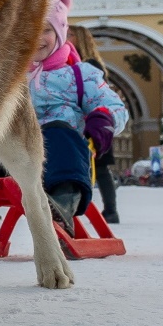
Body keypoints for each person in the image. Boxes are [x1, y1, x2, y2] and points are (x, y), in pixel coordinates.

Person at [26, 0, 128, 236]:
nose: (37, 38)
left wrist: (104, 118)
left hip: (57, 156)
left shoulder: (81, 75)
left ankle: (62, 202)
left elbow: (116, 106)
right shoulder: (7, 75)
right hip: (12, 153)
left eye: (46, 30)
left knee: (58, 131)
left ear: (60, 32)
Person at [67, 25, 122, 224]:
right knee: (99, 168)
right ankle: (107, 210)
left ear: (80, 39)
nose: (64, 37)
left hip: (92, 124)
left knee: (99, 168)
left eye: (69, 34)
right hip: (89, 123)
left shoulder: (89, 65)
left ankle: (110, 210)